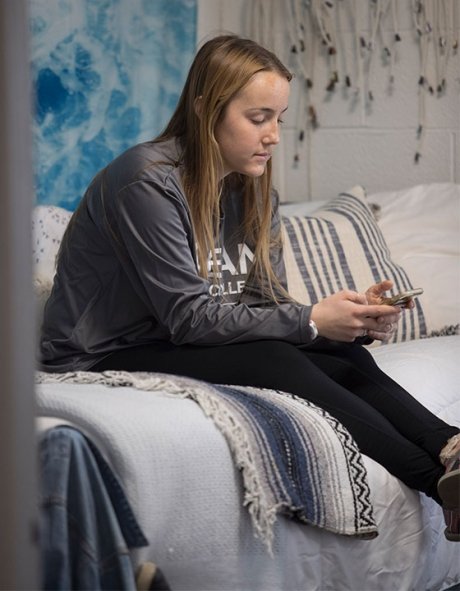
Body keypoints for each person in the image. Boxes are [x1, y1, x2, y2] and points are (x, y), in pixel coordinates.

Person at [40, 34, 460, 540]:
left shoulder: (251, 186)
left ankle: (451, 450)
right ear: (205, 111)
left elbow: (263, 305)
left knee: (341, 355)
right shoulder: (145, 181)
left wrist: (348, 322)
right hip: (106, 352)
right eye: (258, 118)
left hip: (176, 341)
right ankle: (439, 484)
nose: (274, 136)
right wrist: (308, 320)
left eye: (279, 119)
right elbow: (190, 317)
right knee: (278, 359)